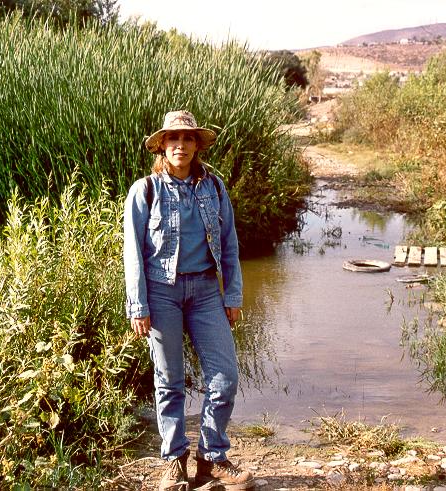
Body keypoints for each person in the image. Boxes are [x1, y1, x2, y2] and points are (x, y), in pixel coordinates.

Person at [123, 110, 255, 491]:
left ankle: (211, 458)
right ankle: (173, 462)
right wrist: (139, 304)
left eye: (188, 138)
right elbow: (133, 252)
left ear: (197, 146)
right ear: (162, 146)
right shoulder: (145, 190)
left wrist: (232, 293)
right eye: (173, 139)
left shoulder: (213, 187)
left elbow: (229, 243)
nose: (180, 145)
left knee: (225, 377)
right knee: (169, 381)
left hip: (205, 292)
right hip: (161, 291)